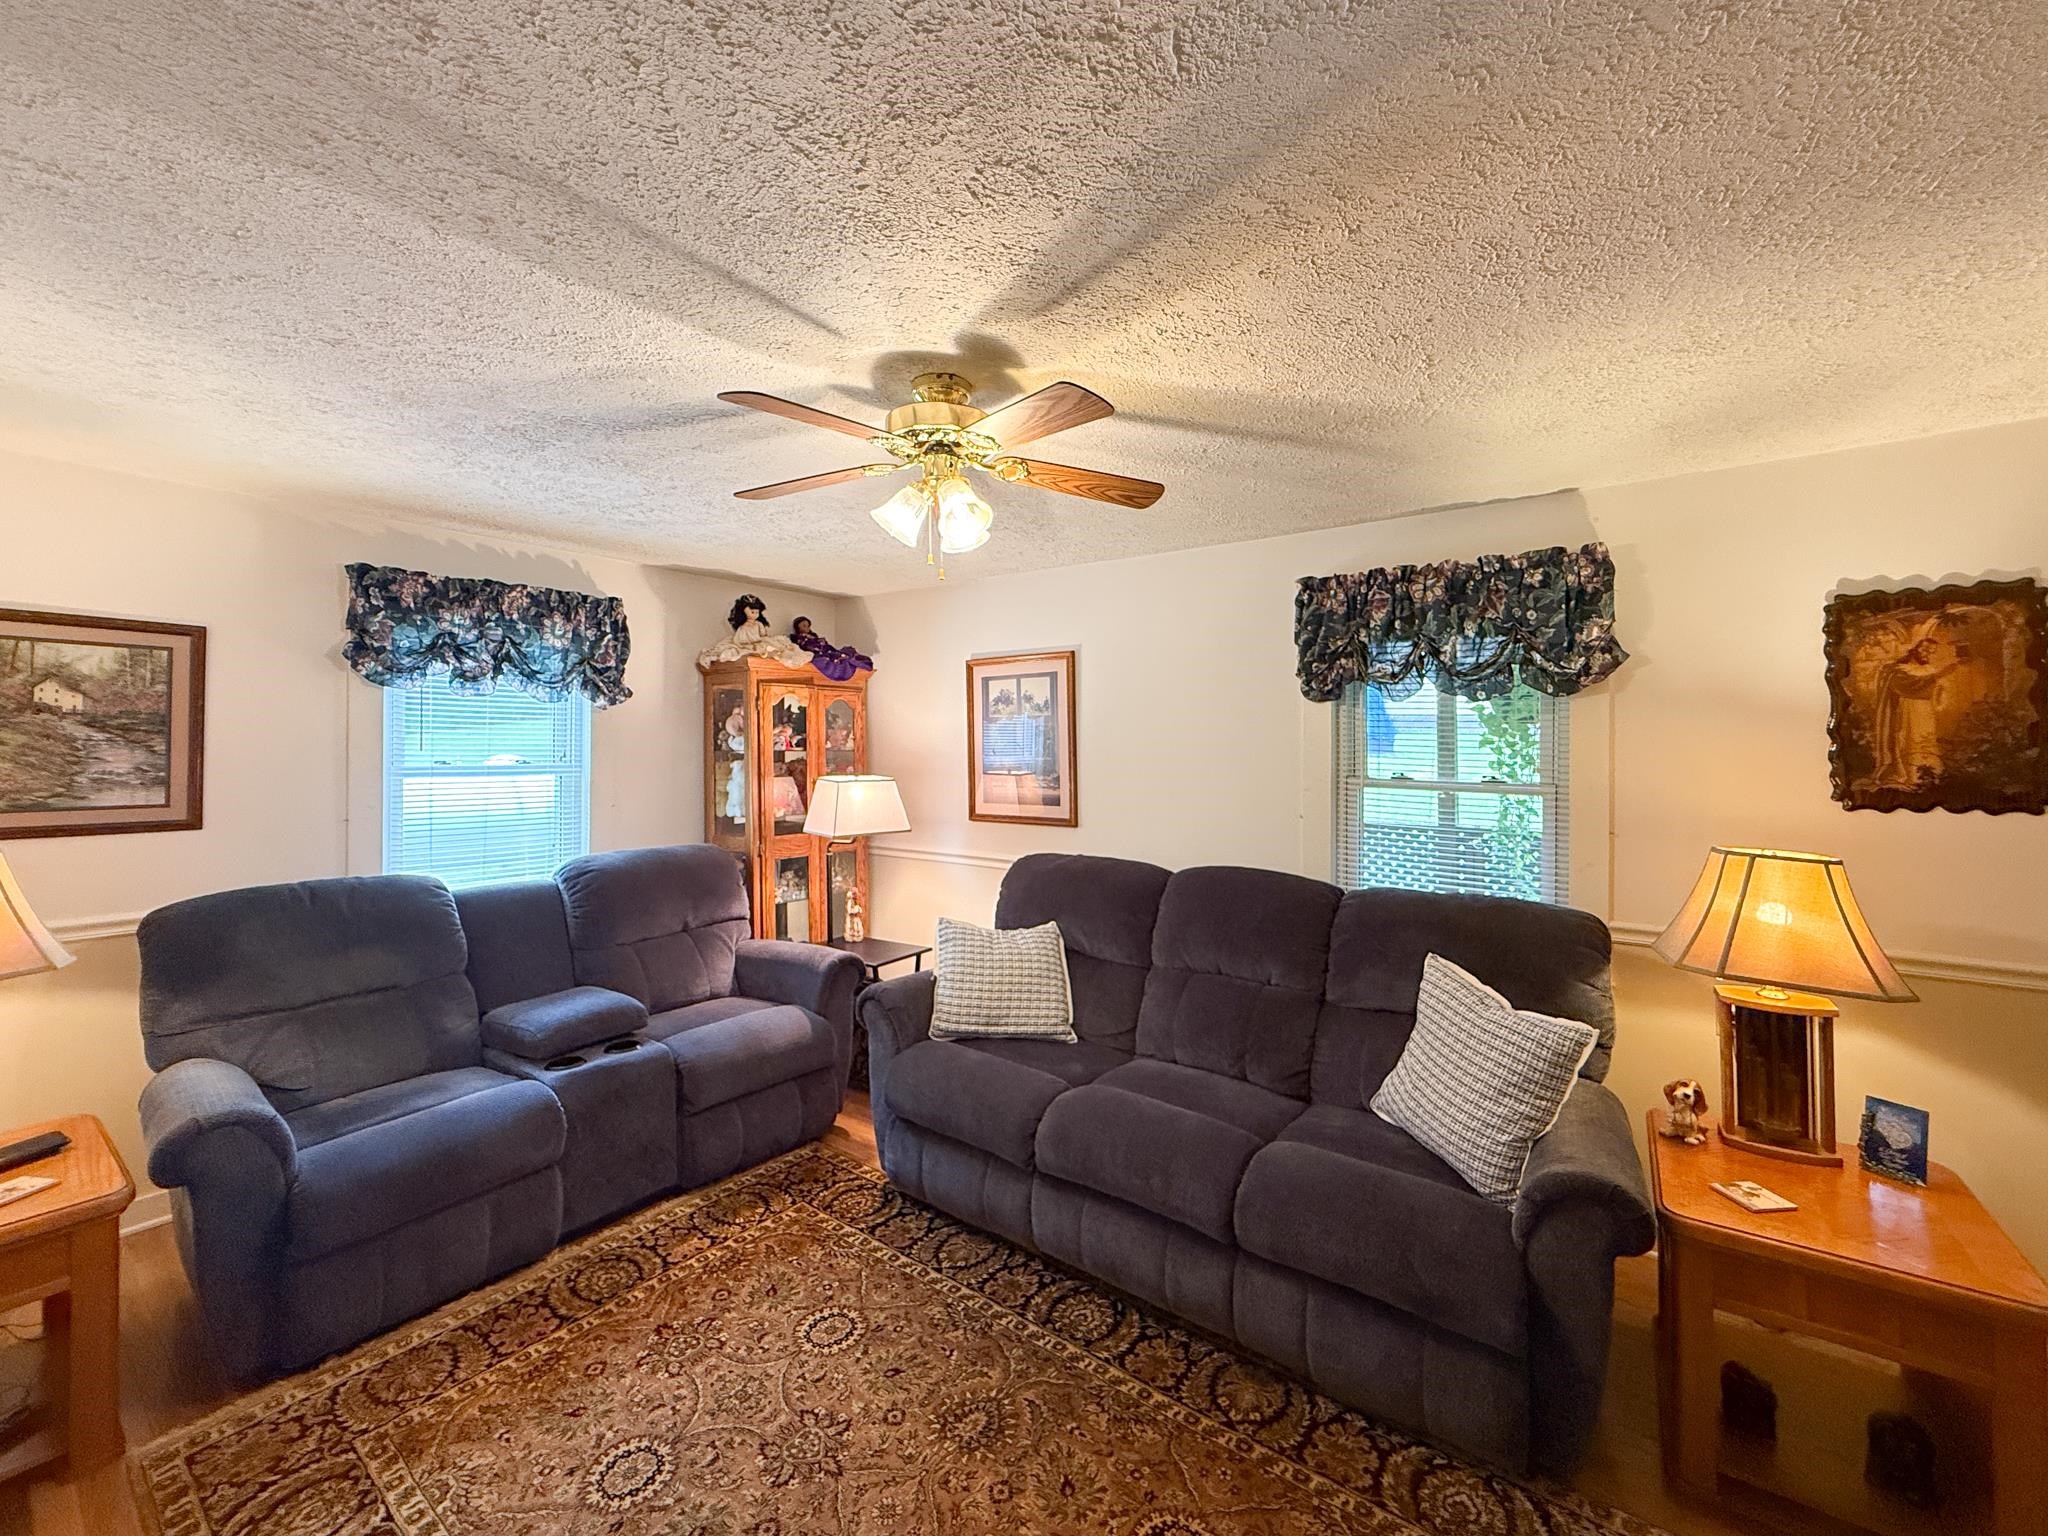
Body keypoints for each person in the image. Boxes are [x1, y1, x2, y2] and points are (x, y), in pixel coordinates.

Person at [697, 595, 812, 668]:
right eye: (752, 612)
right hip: (749, 645)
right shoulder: (743, 628)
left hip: (760, 643)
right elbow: (739, 640)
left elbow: (764, 636)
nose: (755, 615)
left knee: (780, 649)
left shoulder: (758, 624)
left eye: (757, 612)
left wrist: (765, 640)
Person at [788, 616, 874, 681]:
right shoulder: (799, 638)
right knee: (831, 658)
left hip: (826, 651)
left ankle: (849, 659)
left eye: (808, 626)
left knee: (847, 652)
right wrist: (818, 644)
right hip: (818, 653)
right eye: (804, 626)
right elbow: (809, 647)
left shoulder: (813, 636)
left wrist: (822, 643)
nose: (807, 628)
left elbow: (825, 646)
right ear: (798, 627)